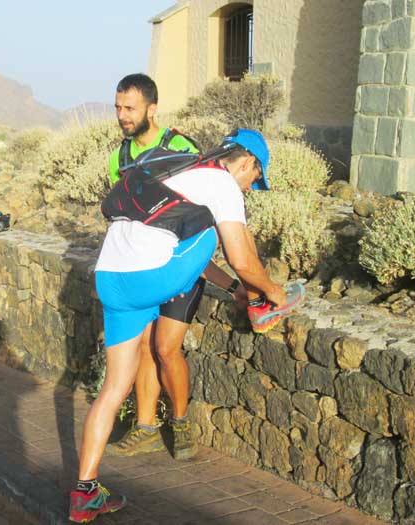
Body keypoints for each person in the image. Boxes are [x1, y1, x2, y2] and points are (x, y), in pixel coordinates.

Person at [68, 129, 304, 522]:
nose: (249, 188)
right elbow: (241, 259)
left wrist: (233, 289)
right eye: (253, 180)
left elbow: (185, 247)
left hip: (111, 279)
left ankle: (85, 492)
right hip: (154, 278)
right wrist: (271, 291)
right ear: (247, 163)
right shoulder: (222, 183)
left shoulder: (179, 171)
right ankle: (263, 308)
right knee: (219, 229)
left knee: (113, 388)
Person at [106, 73, 251, 462]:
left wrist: (221, 277)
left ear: (152, 109)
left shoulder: (182, 146)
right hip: (142, 264)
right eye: (118, 107)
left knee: (167, 348)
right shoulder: (117, 157)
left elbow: (200, 216)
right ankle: (147, 427)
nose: (122, 115)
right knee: (142, 345)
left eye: (130, 108)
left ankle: (182, 421)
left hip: (181, 263)